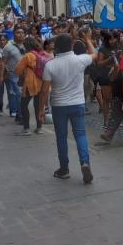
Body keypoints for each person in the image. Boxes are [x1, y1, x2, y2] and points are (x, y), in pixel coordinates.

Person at [38, 33, 99, 183]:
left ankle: (64, 169)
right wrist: (88, 40)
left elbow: (44, 90)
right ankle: (85, 163)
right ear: (71, 45)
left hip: (59, 106)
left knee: (61, 137)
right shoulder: (80, 60)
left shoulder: (50, 65)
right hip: (78, 104)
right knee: (80, 135)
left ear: (56, 47)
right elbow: (95, 54)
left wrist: (41, 109)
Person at [14, 37, 44, 136]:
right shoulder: (41, 54)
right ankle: (39, 128)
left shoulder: (27, 56)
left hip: (30, 84)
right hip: (41, 82)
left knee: (23, 105)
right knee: (38, 106)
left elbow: (17, 70)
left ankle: (26, 129)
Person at [95, 31, 119, 129]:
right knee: (106, 99)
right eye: (110, 39)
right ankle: (106, 121)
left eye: (114, 38)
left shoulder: (118, 47)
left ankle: (114, 119)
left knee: (115, 98)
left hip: (116, 73)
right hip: (105, 74)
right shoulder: (102, 48)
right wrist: (110, 59)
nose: (112, 41)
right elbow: (99, 64)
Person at [2, 27, 26, 120]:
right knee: (19, 94)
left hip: (27, 74)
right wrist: (2, 75)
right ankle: (20, 114)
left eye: (22, 32)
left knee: (24, 95)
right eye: (18, 32)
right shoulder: (8, 46)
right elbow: (4, 62)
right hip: (14, 74)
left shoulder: (27, 45)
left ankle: (20, 112)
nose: (20, 34)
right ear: (13, 34)